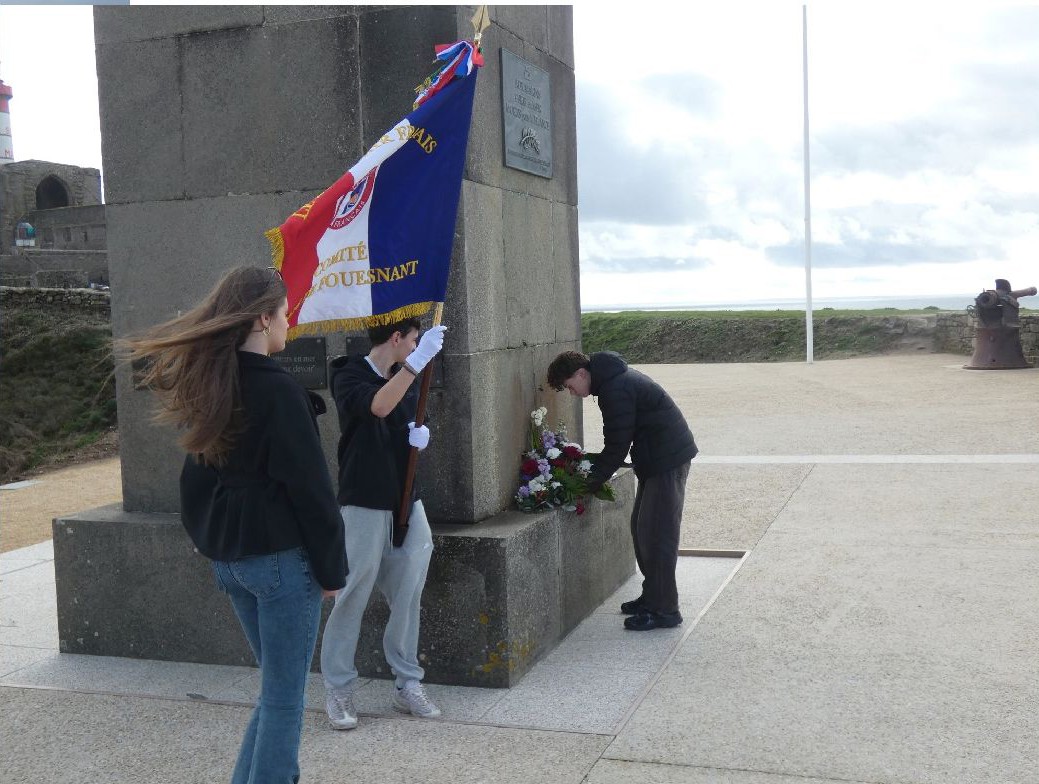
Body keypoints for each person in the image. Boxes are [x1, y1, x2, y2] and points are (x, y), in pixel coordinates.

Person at [128, 266, 347, 784]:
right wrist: (333, 569)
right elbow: (311, 491)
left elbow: (194, 483)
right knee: (285, 701)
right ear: (262, 319)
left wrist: (213, 546)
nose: (289, 321)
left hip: (234, 562)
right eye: (284, 311)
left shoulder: (213, 385)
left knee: (274, 693)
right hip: (279, 563)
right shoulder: (279, 391)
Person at [320, 317, 446, 730]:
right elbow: (378, 406)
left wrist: (416, 436)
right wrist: (416, 365)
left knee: (408, 595)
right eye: (413, 342)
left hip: (407, 501)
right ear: (396, 339)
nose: (414, 349)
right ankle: (338, 689)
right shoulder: (348, 372)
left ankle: (407, 683)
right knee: (352, 594)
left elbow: (398, 418)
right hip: (364, 501)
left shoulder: (401, 376)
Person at [547, 349, 697, 631]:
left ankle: (665, 610)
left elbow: (617, 446)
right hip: (656, 461)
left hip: (668, 460)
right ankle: (653, 596)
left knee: (657, 535)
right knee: (641, 529)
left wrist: (589, 482)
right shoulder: (612, 382)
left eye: (569, 386)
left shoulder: (615, 389)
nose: (572, 392)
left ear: (581, 374)